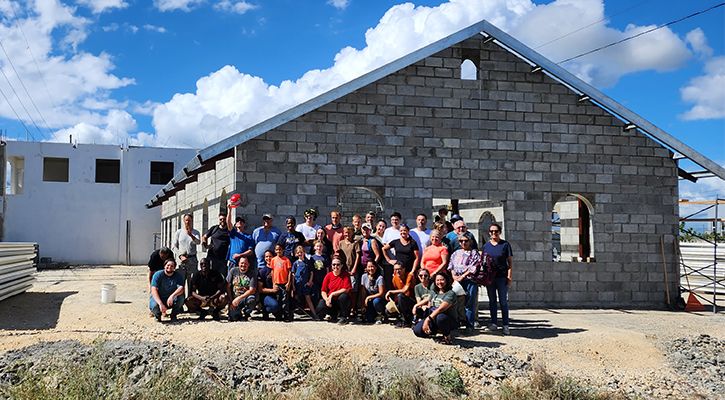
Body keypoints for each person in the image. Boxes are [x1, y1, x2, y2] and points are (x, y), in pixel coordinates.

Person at [483, 223, 513, 335]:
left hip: (501, 277)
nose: (494, 233)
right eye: (491, 231)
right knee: (492, 301)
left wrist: (509, 276)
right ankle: (494, 323)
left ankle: (506, 325)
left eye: (496, 231)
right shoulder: (486, 246)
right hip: (490, 278)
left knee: (503, 301)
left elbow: (509, 262)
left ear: (500, 232)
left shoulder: (505, 245)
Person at [448, 234, 481, 332]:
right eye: (461, 241)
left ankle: (469, 325)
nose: (463, 243)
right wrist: (454, 276)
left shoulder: (474, 253)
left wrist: (462, 276)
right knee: (456, 302)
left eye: (465, 240)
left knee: (470, 303)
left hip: (470, 280)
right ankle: (457, 323)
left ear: (470, 241)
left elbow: (474, 267)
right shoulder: (456, 253)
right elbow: (451, 265)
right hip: (457, 281)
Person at [412, 273, 457, 344]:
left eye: (442, 280)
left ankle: (447, 336)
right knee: (417, 331)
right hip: (433, 317)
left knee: (440, 318)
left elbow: (440, 309)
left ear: (447, 281)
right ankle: (435, 330)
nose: (439, 282)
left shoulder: (450, 293)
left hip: (446, 318)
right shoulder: (434, 292)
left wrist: (427, 319)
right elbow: (428, 299)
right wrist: (416, 305)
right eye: (437, 280)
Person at [315, 255, 352, 324]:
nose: (336, 266)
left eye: (338, 264)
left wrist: (332, 294)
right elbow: (323, 291)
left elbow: (346, 289)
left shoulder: (345, 275)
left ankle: (344, 317)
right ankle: (332, 314)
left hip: (341, 301)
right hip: (331, 301)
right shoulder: (328, 275)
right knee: (320, 307)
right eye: (333, 264)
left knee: (343, 297)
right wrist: (327, 300)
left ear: (341, 266)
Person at [173, 213, 201, 296]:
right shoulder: (179, 232)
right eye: (186, 220)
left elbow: (198, 242)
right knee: (180, 281)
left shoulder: (196, 232)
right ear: (183, 221)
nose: (187, 222)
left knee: (191, 282)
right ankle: (180, 302)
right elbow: (174, 246)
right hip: (182, 260)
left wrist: (191, 235)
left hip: (192, 259)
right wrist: (180, 256)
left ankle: (190, 301)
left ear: (192, 221)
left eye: (189, 220)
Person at [338, 226, 361, 316]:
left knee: (354, 289)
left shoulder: (355, 243)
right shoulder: (341, 243)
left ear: (352, 233)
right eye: (346, 232)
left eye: (349, 232)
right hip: (344, 269)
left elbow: (358, 256)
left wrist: (354, 268)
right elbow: (339, 256)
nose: (347, 234)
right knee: (344, 289)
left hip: (353, 269)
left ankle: (353, 308)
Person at [385, 261, 416, 327]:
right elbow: (397, 291)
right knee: (388, 310)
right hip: (401, 300)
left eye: (399, 269)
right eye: (395, 269)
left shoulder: (409, 275)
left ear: (404, 269)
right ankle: (400, 319)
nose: (397, 271)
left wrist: (391, 292)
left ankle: (407, 320)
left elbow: (405, 290)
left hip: (411, 301)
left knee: (401, 296)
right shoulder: (394, 278)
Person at [227, 256, 257, 321]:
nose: (243, 265)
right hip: (234, 298)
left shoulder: (252, 273)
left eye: (245, 263)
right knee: (234, 318)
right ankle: (238, 313)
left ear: (249, 264)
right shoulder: (233, 271)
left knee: (252, 300)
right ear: (238, 263)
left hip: (245, 298)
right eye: (242, 263)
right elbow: (228, 286)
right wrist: (231, 300)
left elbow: (252, 290)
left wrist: (239, 298)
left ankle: (247, 313)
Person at [292, 245, 317, 319]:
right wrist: (293, 285)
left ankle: (314, 314)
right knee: (295, 298)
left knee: (308, 298)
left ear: (304, 252)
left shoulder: (307, 262)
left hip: (305, 283)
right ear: (296, 253)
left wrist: (310, 281)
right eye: (298, 252)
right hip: (297, 283)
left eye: (301, 252)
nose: (300, 254)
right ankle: (292, 314)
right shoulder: (295, 263)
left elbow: (311, 272)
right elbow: (293, 274)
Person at [202, 212, 231, 276]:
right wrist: (205, 245)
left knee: (222, 277)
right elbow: (204, 237)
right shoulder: (214, 228)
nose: (222, 221)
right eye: (221, 219)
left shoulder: (229, 230)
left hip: (223, 259)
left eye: (224, 219)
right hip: (212, 257)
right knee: (211, 275)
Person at [270, 243, 293, 321]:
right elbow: (272, 271)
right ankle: (278, 316)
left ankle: (286, 315)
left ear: (283, 250)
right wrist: (273, 282)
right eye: (277, 249)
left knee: (285, 300)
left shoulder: (286, 260)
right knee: (278, 299)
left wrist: (288, 283)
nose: (278, 251)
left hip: (284, 283)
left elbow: (290, 272)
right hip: (277, 283)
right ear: (275, 250)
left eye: (280, 249)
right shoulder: (273, 260)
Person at [257, 250, 282, 320]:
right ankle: (265, 309)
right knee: (275, 306)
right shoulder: (262, 271)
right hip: (266, 295)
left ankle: (277, 311)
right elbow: (260, 289)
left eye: (270, 256)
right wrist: (272, 290)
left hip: (278, 294)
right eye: (266, 257)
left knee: (282, 313)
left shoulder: (278, 269)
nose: (268, 258)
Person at [310, 240, 329, 304]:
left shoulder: (325, 257)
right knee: (315, 295)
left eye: (320, 246)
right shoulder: (312, 258)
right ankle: (316, 309)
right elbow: (311, 270)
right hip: (315, 279)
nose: (319, 248)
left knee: (323, 294)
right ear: (314, 247)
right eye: (317, 246)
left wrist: (327, 279)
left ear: (323, 247)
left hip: (323, 279)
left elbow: (327, 269)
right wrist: (311, 280)